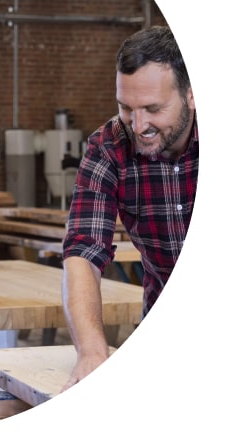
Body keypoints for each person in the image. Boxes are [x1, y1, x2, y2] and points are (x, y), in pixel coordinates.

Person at [61, 25, 198, 390]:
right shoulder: (108, 147)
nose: (139, 126)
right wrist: (91, 352)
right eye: (126, 108)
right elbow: (82, 252)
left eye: (153, 109)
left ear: (192, 94)